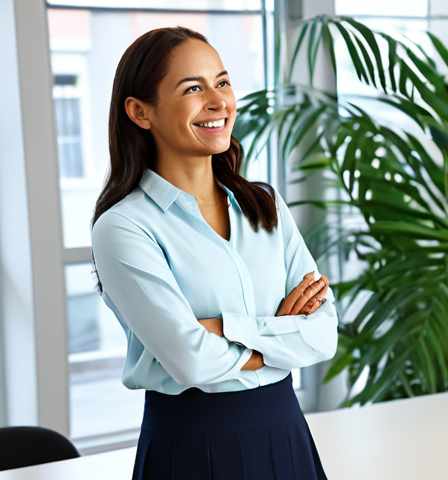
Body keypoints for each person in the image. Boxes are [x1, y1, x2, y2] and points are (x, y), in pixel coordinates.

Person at [90, 26, 338, 480]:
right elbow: (190, 360)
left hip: (285, 431)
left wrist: (223, 329)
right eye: (193, 88)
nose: (218, 101)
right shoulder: (123, 227)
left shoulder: (263, 205)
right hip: (192, 446)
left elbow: (322, 335)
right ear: (140, 112)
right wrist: (280, 334)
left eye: (222, 82)